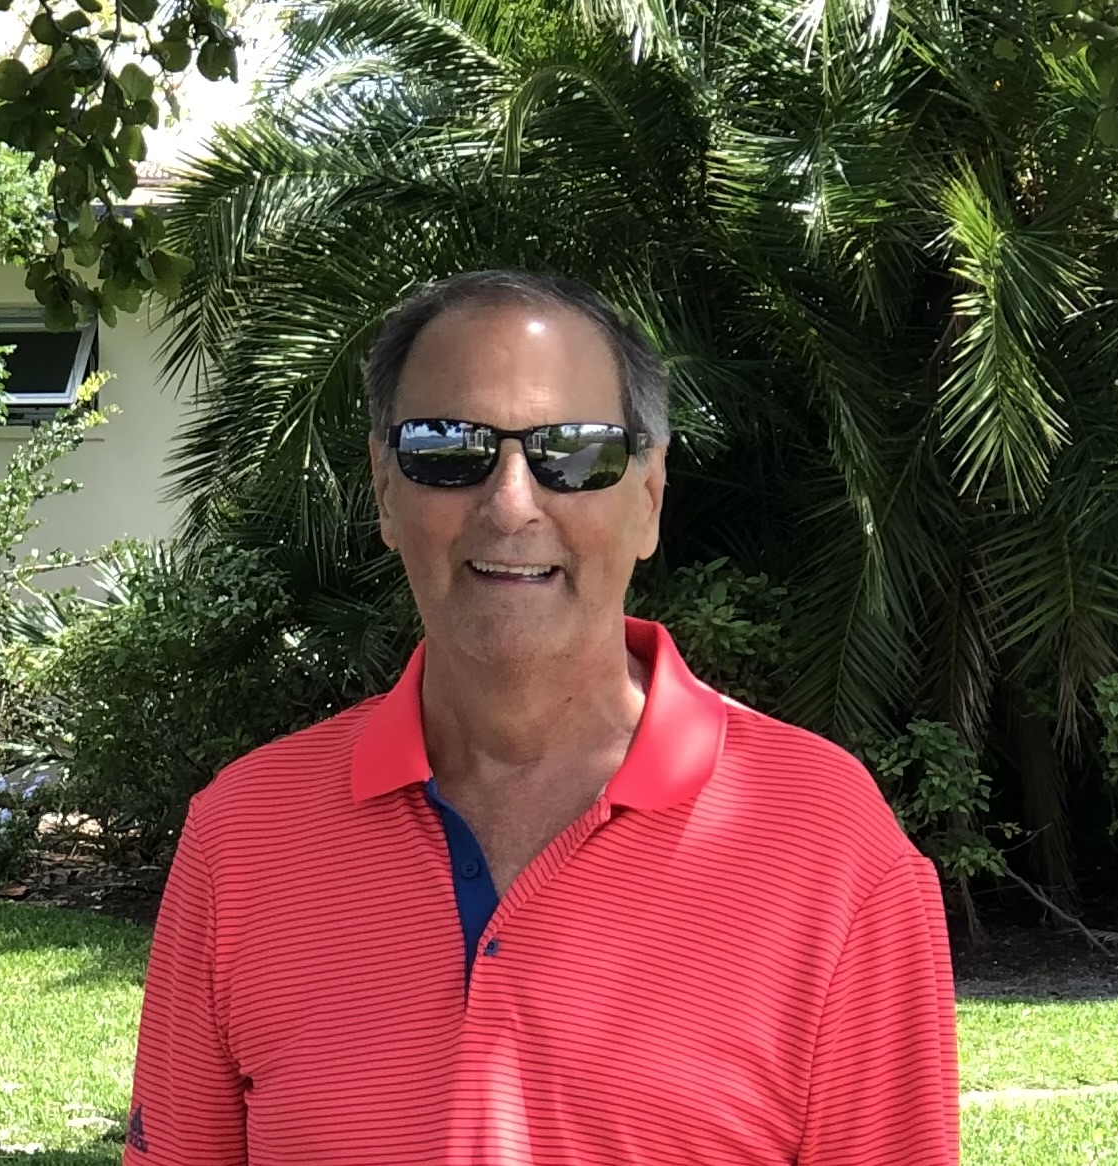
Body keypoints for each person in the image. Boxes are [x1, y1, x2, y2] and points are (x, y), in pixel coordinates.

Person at [123, 269, 959, 1166]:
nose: (511, 503)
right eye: (448, 447)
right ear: (384, 490)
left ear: (648, 497)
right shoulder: (243, 835)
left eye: (574, 451)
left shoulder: (830, 846)